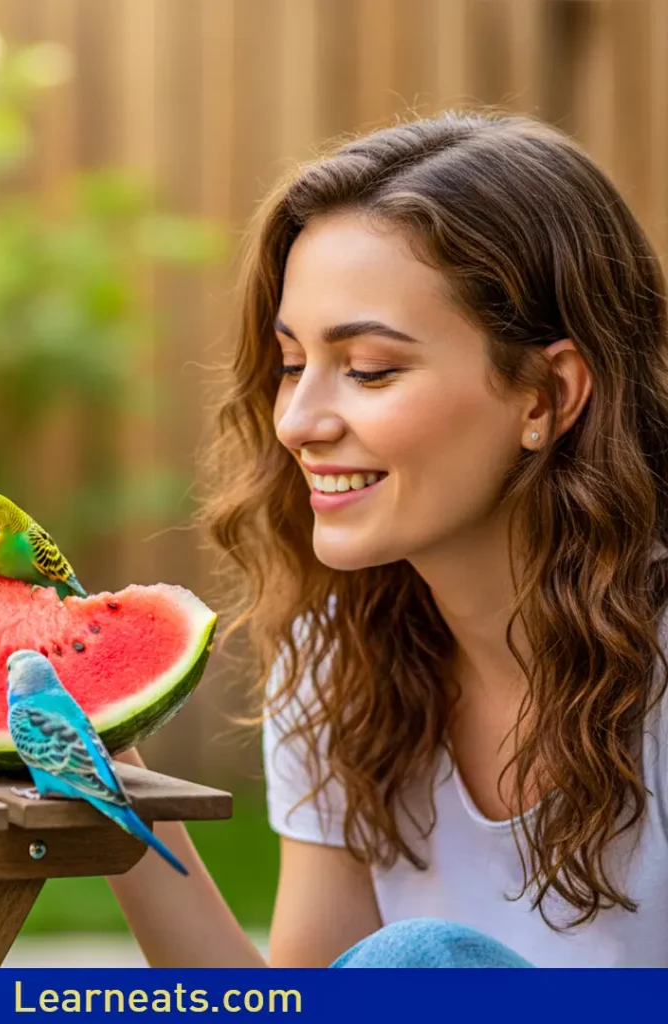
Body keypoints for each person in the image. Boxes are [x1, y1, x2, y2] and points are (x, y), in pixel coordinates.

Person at [103, 111, 668, 968]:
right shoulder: (338, 661)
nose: (297, 422)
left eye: (369, 369)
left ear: (547, 395)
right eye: (292, 365)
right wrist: (106, 766)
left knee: (415, 962)